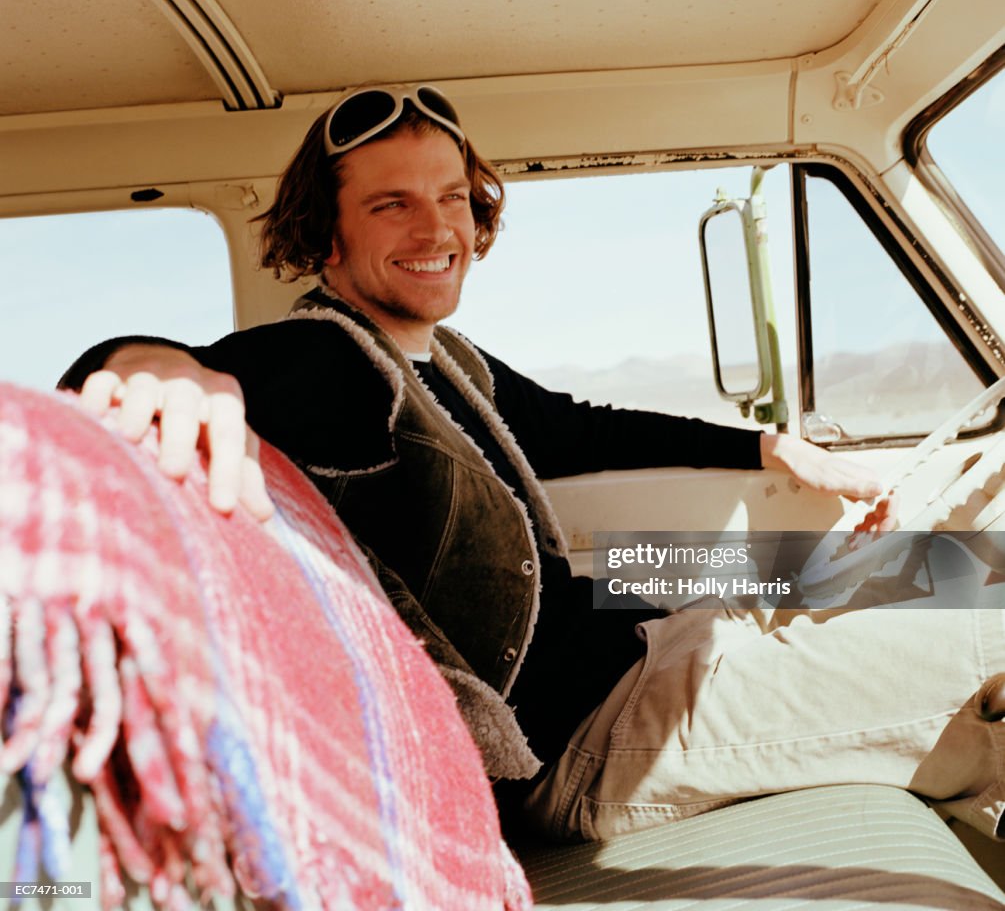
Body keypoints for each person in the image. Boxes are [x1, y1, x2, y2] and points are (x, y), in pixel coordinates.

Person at [61, 84, 1004, 843]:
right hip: (585, 739)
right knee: (987, 640)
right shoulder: (322, 361)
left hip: (627, 614)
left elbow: (582, 428)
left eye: (449, 198)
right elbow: (172, 371)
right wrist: (150, 366)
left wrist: (770, 446)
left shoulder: (446, 361)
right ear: (327, 233)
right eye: (391, 204)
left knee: (955, 567)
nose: (437, 228)